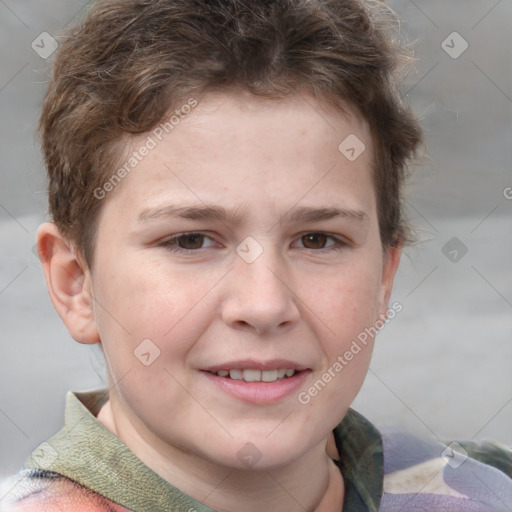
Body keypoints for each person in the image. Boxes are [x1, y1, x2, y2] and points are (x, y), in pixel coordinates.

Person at [2, 0, 511, 510]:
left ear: (383, 279)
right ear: (76, 284)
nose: (265, 305)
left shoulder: (483, 489)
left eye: (317, 239)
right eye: (191, 240)